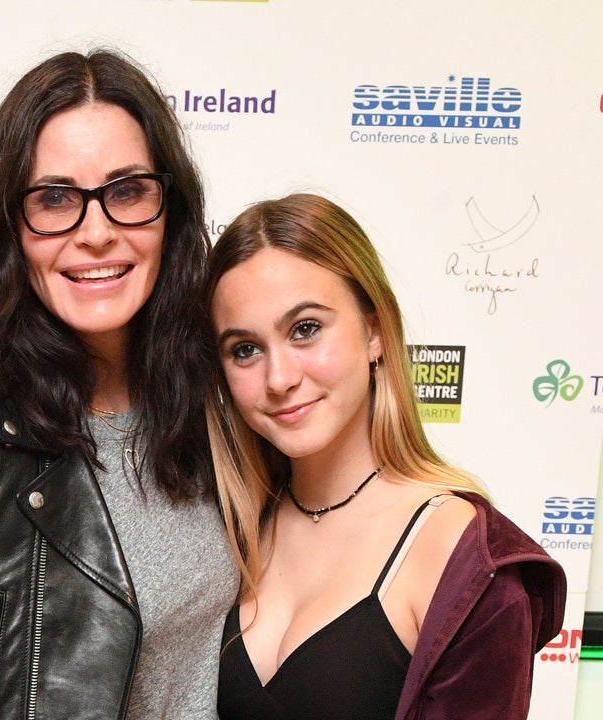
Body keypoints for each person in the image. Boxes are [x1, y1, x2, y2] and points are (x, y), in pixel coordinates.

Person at [0, 49, 238, 719]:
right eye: (55, 199)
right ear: (13, 226)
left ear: (169, 211)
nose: (95, 233)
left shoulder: (219, 411)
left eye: (127, 191)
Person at [207, 193, 566, 719]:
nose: (279, 378)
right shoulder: (230, 529)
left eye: (305, 329)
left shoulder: (464, 558)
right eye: (245, 349)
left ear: (374, 332)